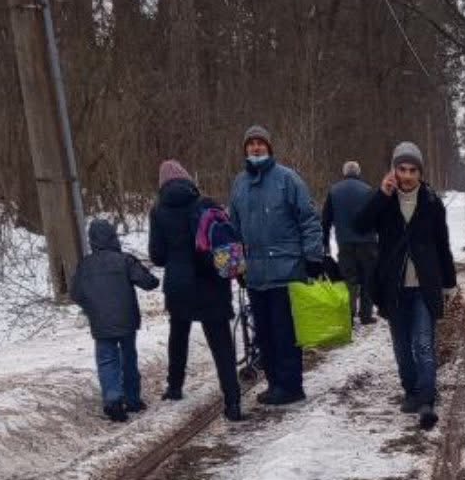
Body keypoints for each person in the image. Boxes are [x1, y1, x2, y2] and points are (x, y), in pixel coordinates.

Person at [359, 141, 456, 430]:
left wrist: (448, 283)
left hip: (424, 286)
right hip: (393, 287)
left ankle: (427, 398)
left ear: (420, 172)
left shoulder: (431, 202)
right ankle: (411, 391)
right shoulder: (385, 201)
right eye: (402, 169)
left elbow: (442, 244)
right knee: (402, 345)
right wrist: (380, 194)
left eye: (413, 169)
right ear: (394, 170)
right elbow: (360, 225)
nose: (408, 175)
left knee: (423, 343)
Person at [228, 124, 324, 407]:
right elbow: (232, 229)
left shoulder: (288, 179)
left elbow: (308, 219)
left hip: (287, 271)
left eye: (261, 143)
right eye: (251, 144)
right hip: (256, 275)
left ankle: (291, 385)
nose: (256, 148)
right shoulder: (239, 184)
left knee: (285, 333)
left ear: (269, 148)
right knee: (264, 333)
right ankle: (274, 383)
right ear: (245, 149)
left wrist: (313, 258)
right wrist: (238, 268)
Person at [147, 159, 244, 421]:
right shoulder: (205, 204)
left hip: (179, 286)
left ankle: (175, 386)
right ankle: (232, 402)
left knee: (178, 334)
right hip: (211, 282)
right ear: (188, 180)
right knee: (221, 344)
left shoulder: (158, 211)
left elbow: (156, 256)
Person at [68, 217, 159, 422]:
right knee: (128, 357)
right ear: (112, 237)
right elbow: (148, 282)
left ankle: (113, 400)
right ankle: (133, 399)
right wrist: (150, 275)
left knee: (107, 359)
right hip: (126, 319)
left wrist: (90, 306)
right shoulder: (125, 260)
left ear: (92, 240)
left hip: (100, 322)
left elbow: (75, 293)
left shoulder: (85, 265)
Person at [322, 160, 378, 326]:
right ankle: (366, 315)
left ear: (344, 173)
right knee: (368, 278)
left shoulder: (334, 191)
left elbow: (326, 220)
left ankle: (349, 315)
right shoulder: (369, 190)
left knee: (349, 278)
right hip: (368, 243)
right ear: (358, 173)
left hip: (345, 242)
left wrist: (325, 243)